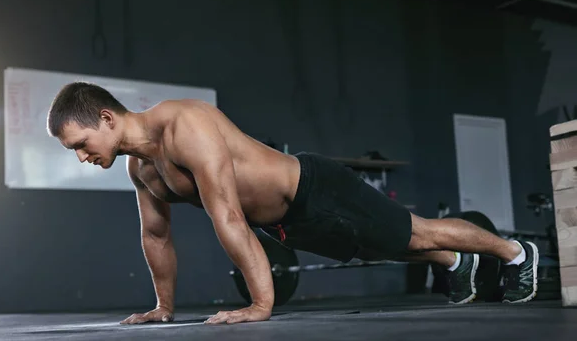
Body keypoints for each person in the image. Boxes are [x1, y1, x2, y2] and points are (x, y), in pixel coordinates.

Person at [46, 82, 539, 325]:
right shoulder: (141, 169)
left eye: (80, 143)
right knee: (380, 245)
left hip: (312, 187)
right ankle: (458, 264)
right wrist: (164, 307)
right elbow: (155, 235)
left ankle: (516, 253)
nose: (82, 156)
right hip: (287, 224)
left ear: (107, 118)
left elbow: (228, 213)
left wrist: (262, 304)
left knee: (416, 232)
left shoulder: (183, 125)